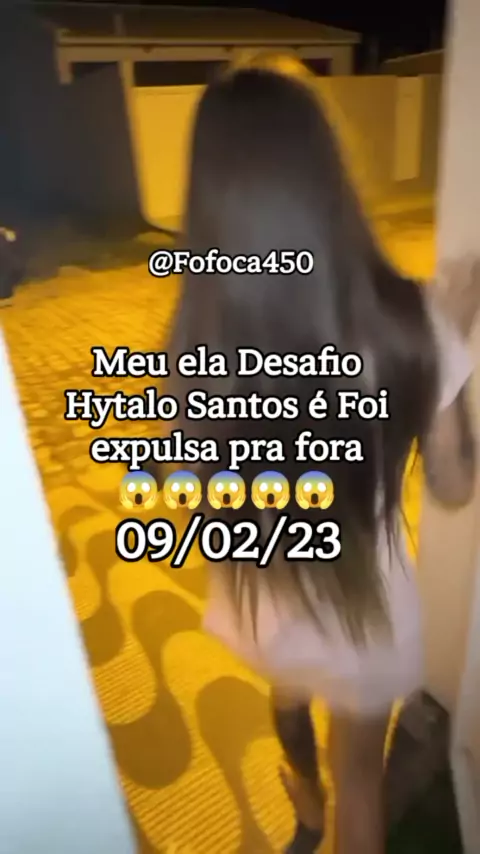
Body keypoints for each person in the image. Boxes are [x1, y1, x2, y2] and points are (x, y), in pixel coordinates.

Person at [164, 58, 479, 854]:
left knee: (288, 689)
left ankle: (304, 802)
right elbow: (453, 486)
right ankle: (322, 802)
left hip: (265, 600)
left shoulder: (196, 337)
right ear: (329, 174)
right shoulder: (412, 321)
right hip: (366, 622)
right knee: (361, 785)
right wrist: (448, 344)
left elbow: (193, 489)